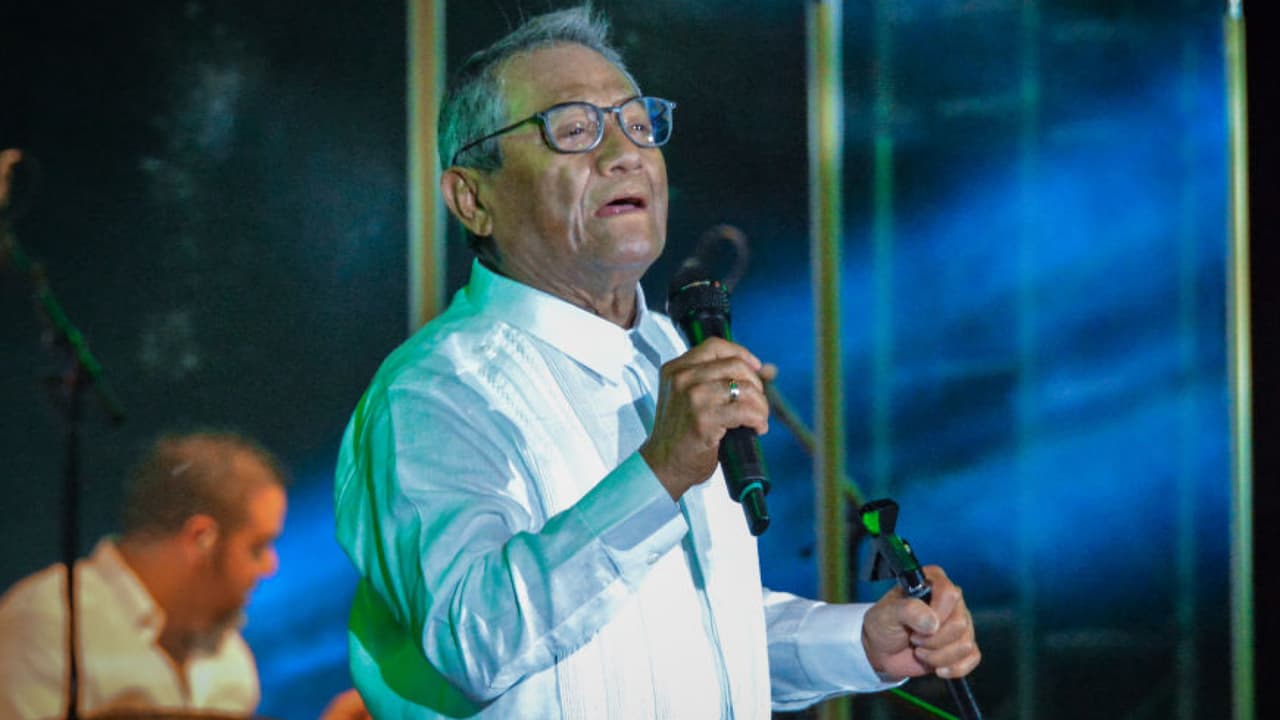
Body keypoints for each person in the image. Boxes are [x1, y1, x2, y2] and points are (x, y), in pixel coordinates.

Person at [334, 6, 980, 719]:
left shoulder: (672, 355)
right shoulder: (432, 393)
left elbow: (686, 633)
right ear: (472, 197)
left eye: (640, 125)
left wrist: (860, 644)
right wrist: (659, 473)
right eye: (573, 130)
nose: (625, 155)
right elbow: (473, 639)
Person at [0, 431, 368, 720]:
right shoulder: (48, 623)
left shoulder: (231, 661)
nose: (270, 566)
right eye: (257, 547)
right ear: (200, 538)